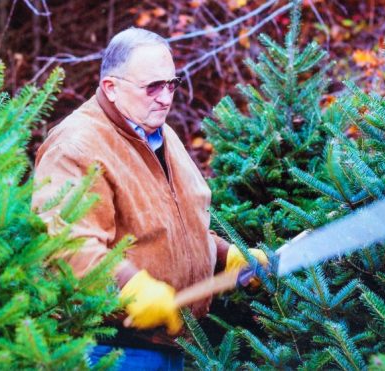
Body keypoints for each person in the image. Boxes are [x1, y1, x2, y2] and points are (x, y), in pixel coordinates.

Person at [31, 28, 267, 370]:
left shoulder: (162, 134)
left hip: (170, 344)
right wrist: (130, 286)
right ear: (111, 88)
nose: (165, 97)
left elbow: (176, 223)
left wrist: (226, 256)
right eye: (152, 87)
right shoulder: (76, 145)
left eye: (172, 83)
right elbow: (65, 239)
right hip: (111, 349)